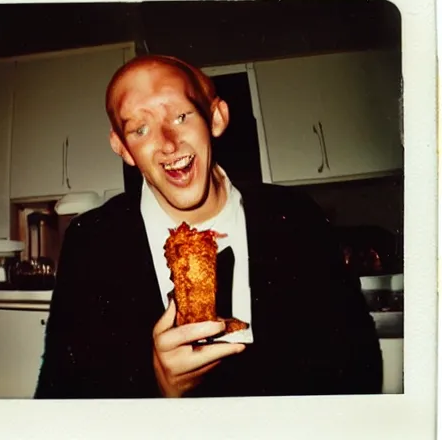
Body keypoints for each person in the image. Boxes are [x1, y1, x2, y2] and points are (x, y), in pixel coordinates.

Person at [34, 54, 383, 399]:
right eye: (140, 129)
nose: (168, 144)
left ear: (215, 118)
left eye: (181, 116)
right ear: (123, 147)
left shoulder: (296, 215)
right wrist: (159, 390)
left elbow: (359, 362)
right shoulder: (91, 242)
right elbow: (61, 397)